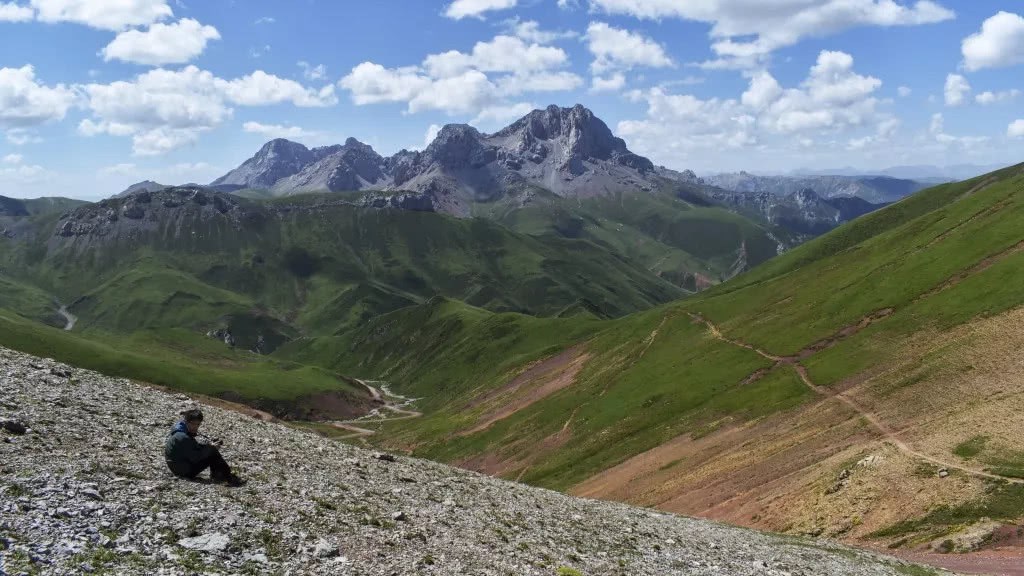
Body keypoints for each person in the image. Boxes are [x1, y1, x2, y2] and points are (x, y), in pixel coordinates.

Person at [165, 409, 244, 487]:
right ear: (186, 421)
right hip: (184, 471)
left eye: (198, 424)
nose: (195, 427)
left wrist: (207, 446)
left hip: (178, 467)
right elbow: (195, 457)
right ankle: (226, 477)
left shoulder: (180, 431)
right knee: (212, 451)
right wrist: (210, 448)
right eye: (193, 424)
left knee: (210, 450)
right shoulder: (182, 437)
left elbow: (191, 448)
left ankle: (221, 475)